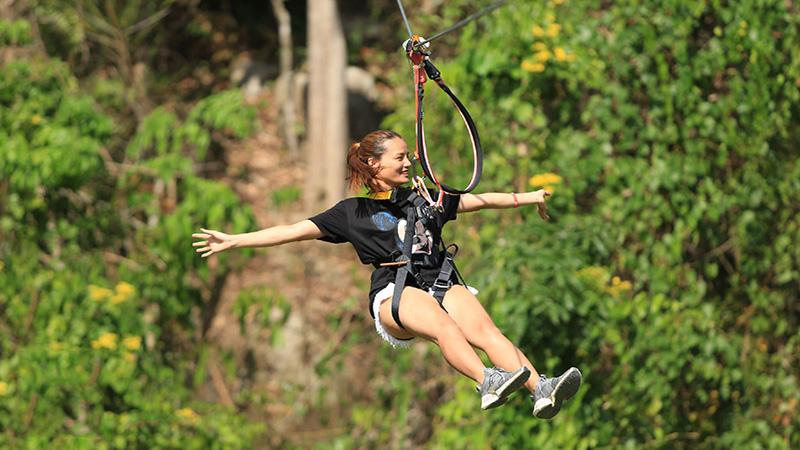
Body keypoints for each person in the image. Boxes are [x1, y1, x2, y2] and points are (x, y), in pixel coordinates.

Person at [192, 130, 581, 418]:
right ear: (374, 164)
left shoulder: (425, 198)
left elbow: (477, 201)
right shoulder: (352, 213)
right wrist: (236, 240)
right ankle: (486, 381)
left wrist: (527, 198)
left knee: (487, 332)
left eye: (408, 156)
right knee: (445, 326)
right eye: (400, 158)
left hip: (437, 278)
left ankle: (540, 389)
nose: (409, 163)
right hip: (395, 291)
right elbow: (292, 231)